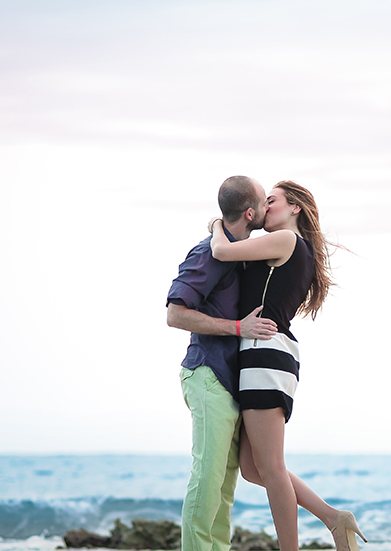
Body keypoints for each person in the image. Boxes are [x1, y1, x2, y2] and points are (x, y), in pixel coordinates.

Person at [208, 180, 366, 551]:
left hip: (265, 354)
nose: (265, 207)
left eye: (272, 201)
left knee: (272, 467)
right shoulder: (291, 248)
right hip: (265, 354)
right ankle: (333, 518)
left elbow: (219, 251)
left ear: (294, 208)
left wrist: (218, 223)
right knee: (252, 468)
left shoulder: (288, 241)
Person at [166, 176, 278, 551]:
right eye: (265, 203)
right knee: (207, 478)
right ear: (250, 212)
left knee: (224, 489)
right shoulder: (207, 254)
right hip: (207, 374)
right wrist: (237, 327)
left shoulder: (235, 251)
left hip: (230, 382)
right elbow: (175, 314)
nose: (268, 208)